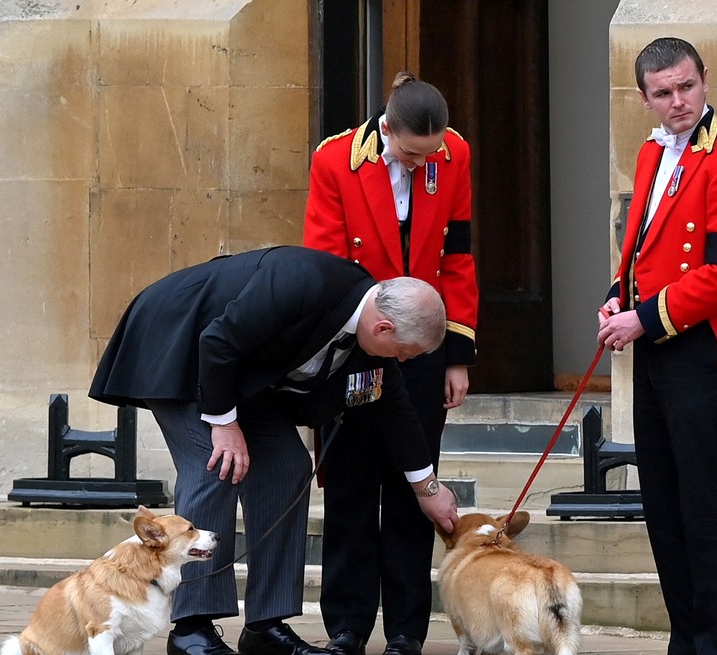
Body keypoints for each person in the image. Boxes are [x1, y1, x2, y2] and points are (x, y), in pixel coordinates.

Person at [88, 246, 461, 655]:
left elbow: (394, 406)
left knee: (288, 465)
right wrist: (225, 424)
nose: (403, 361)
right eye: (405, 353)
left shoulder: (367, 336)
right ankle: (192, 628)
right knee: (217, 466)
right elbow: (217, 341)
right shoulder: (303, 282)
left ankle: (266, 624)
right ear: (385, 328)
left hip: (241, 377)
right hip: (180, 346)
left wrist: (428, 488)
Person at [595, 37, 717, 655]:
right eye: (664, 93)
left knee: (710, 516)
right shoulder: (650, 153)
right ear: (644, 98)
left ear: (705, 80)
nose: (679, 102)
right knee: (666, 512)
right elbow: (644, 247)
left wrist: (643, 318)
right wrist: (621, 294)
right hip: (657, 351)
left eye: (687, 87)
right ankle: (688, 642)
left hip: (705, 356)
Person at [302, 71, 477, 655]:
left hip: (422, 344)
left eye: (430, 152)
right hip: (359, 339)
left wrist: (457, 354)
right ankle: (347, 626)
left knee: (412, 487)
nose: (421, 162)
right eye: (409, 152)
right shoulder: (334, 160)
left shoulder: (453, 155)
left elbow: (459, 257)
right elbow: (324, 263)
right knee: (350, 482)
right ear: (387, 129)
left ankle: (406, 630)